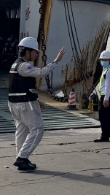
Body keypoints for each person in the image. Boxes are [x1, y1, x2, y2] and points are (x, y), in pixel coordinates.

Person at [7, 37, 66, 172]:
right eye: (34, 52)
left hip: (15, 103)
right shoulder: (24, 65)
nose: (36, 55)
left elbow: (24, 86)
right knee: (38, 129)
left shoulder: (15, 65)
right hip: (23, 104)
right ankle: (22, 157)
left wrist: (37, 100)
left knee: (22, 130)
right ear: (26, 51)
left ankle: (21, 158)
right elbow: (41, 72)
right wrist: (56, 61)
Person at [94, 49, 110, 142]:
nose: (103, 61)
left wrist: (106, 99)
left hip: (107, 95)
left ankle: (104, 135)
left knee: (103, 116)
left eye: (105, 60)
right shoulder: (108, 69)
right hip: (109, 95)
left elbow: (108, 86)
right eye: (102, 60)